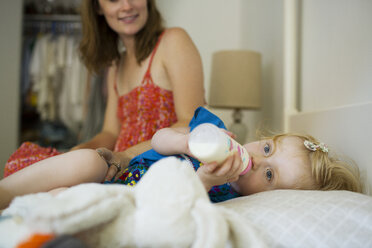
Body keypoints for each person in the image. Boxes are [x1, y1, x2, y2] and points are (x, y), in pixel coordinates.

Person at [0, 107, 363, 209]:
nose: (257, 159)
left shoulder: (223, 196)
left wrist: (204, 179)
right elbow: (159, 138)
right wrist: (188, 141)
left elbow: (179, 201)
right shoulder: (215, 130)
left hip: (123, 200)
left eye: (269, 176)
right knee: (85, 162)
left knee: (62, 202)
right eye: (267, 149)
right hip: (116, 174)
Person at [4, 0, 205, 178]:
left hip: (159, 164)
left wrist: (126, 155)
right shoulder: (116, 65)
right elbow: (110, 132)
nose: (126, 6)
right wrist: (79, 150)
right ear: (98, 7)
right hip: (118, 165)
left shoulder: (173, 40)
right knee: (24, 164)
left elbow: (190, 121)